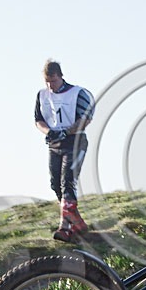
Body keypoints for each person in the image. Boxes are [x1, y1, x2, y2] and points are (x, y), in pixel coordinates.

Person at [34, 59, 95, 242]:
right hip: (54, 144)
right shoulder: (42, 95)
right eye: (47, 81)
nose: (50, 85)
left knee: (68, 181)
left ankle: (65, 226)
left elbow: (86, 118)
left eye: (53, 80)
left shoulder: (79, 93)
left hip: (74, 141)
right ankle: (78, 223)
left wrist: (66, 132)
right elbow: (38, 120)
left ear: (60, 76)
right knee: (55, 183)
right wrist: (50, 132)